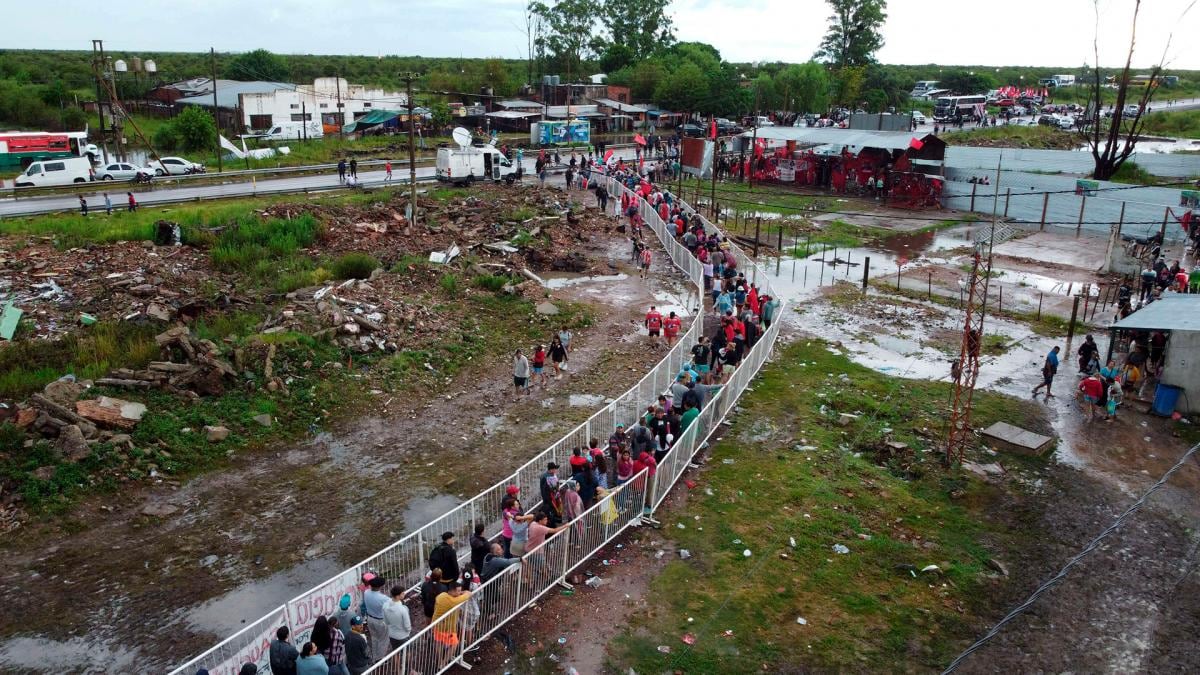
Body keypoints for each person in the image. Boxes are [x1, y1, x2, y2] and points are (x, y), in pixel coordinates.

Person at [431, 580, 473, 657]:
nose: (460, 593)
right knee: (454, 644)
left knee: (438, 642)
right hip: (446, 628)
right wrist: (465, 593)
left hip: (436, 624)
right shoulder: (452, 601)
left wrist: (461, 592)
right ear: (452, 591)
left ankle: (439, 660)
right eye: (458, 591)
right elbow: (468, 595)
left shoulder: (442, 595)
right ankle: (443, 664)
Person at [361, 576, 390, 662]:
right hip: (380, 620)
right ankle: (380, 658)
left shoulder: (366, 592)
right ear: (380, 586)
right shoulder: (383, 598)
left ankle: (375, 656)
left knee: (374, 638)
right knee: (383, 640)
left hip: (370, 619)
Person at [384, 584, 412, 650]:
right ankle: (407, 660)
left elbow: (386, 621)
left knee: (395, 652)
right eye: (402, 593)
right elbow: (407, 626)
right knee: (407, 651)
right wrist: (408, 631)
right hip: (403, 635)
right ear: (397, 596)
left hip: (391, 634)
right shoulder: (403, 609)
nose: (404, 594)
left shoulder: (385, 605)